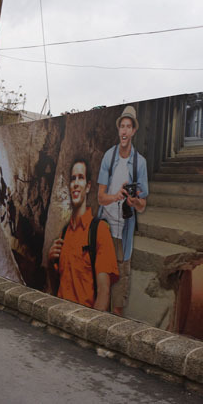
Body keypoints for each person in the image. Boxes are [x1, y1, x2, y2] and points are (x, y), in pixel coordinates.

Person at [97, 105, 149, 316]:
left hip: (124, 234)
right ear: (118, 129)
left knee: (119, 300)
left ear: (134, 131)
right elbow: (100, 198)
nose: (125, 131)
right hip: (105, 230)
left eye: (129, 126)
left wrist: (133, 201)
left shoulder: (140, 163)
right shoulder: (109, 157)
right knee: (103, 289)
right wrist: (115, 196)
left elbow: (143, 205)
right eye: (122, 126)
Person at [48, 158, 119, 310]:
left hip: (81, 323)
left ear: (87, 187)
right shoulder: (64, 233)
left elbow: (103, 292)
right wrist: (50, 262)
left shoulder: (99, 231)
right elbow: (58, 285)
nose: (75, 183)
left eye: (80, 177)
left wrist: (88, 329)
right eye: (73, 178)